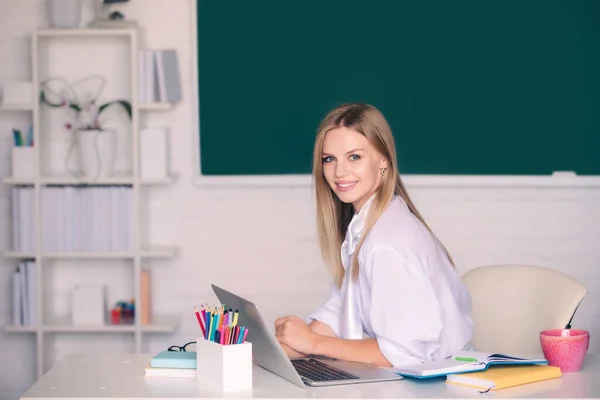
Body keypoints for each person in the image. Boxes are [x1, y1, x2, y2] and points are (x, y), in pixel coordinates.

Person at [274, 103, 473, 368]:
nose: (339, 172)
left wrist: (312, 344)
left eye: (354, 157)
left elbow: (402, 353)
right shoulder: (365, 226)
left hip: (436, 385)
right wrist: (291, 343)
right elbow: (343, 307)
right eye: (329, 159)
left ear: (383, 161)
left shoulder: (385, 243)